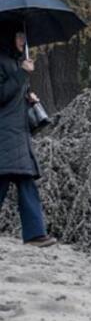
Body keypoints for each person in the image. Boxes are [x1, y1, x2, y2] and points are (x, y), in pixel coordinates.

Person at [0, 28, 55, 247]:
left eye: (24, 37)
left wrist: (29, 100)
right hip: (4, 135)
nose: (23, 41)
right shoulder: (3, 61)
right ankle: (34, 234)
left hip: (16, 135)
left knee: (25, 181)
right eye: (18, 36)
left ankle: (34, 234)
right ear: (7, 37)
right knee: (9, 179)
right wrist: (22, 73)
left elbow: (13, 100)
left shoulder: (15, 63)